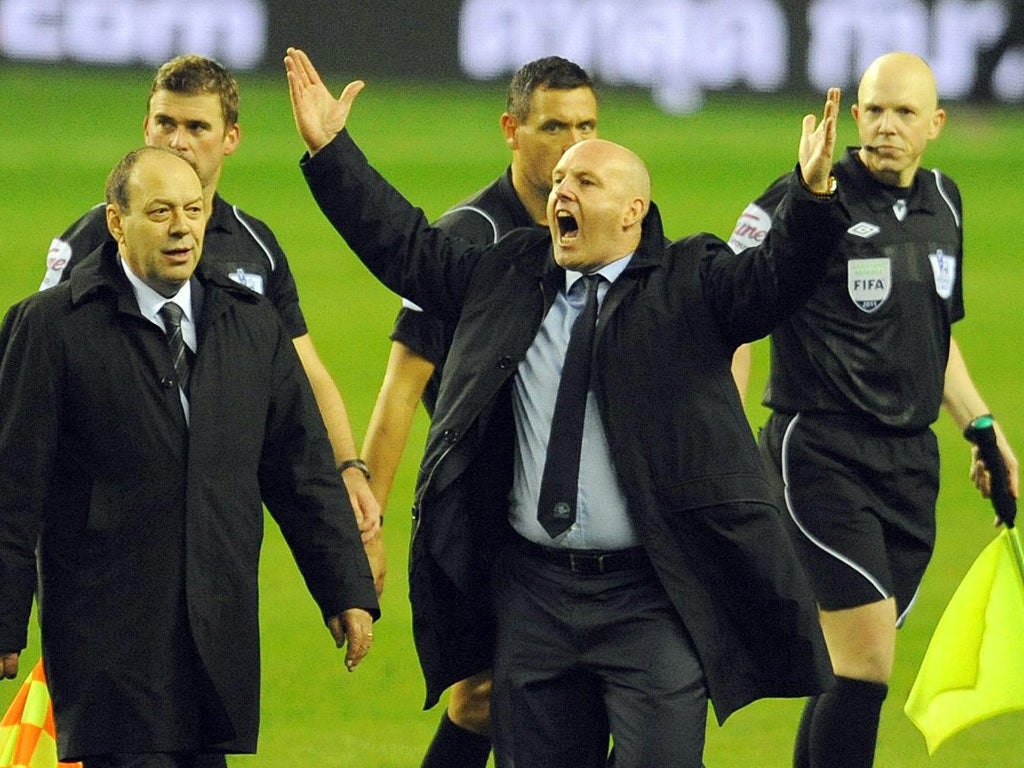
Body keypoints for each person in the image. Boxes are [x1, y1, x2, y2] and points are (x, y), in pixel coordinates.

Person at [286, 47, 845, 766]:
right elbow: (405, 246)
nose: (561, 193)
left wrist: (812, 197)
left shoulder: (690, 281)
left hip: (652, 598)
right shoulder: (510, 271)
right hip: (535, 597)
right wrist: (332, 151)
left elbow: (774, 281)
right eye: (557, 182)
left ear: (633, 212)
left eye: (585, 180)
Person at [0, 146, 379, 767]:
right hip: (109, 640)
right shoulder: (51, 328)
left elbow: (302, 468)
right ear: (117, 223)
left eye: (193, 210)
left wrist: (345, 587)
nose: (181, 228)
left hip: (217, 632)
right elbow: (13, 489)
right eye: (160, 212)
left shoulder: (252, 325)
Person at [726, 51, 1020, 768]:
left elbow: (933, 335)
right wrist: (725, 440)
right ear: (855, 116)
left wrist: (983, 430)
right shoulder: (809, 198)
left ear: (935, 124)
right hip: (819, 453)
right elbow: (732, 311)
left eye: (905, 112)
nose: (888, 126)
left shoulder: (945, 202)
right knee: (866, 664)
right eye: (876, 110)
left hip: (909, 465)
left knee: (850, 666)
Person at [39, 54, 382, 578]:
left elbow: (304, 372)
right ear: (146, 127)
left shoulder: (255, 248)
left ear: (230, 138)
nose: (177, 141)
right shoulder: (92, 240)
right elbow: (37, 379)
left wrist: (348, 467)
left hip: (217, 527)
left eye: (197, 127)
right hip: (106, 529)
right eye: (165, 123)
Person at [360, 54, 598, 767]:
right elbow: (401, 390)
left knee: (589, 689)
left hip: (578, 502)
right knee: (482, 698)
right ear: (512, 130)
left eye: (587, 127)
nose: (574, 145)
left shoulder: (607, 223)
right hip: (482, 509)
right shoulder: (468, 238)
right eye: (554, 127)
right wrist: (364, 531)